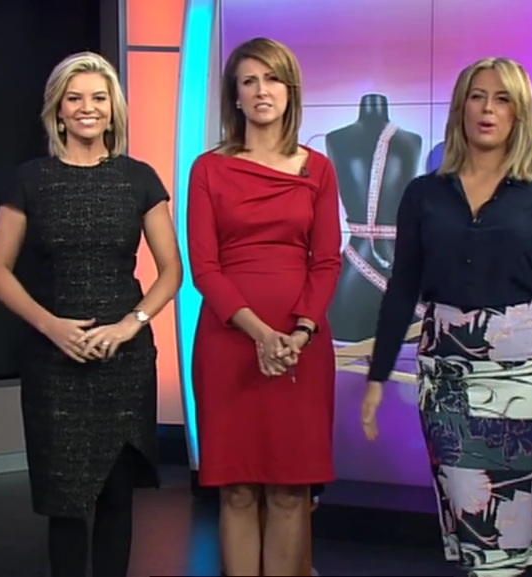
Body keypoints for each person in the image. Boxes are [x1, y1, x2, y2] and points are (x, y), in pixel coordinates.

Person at [360, 57, 532, 577]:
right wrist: (378, 374)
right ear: (460, 108)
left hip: (524, 376)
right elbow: (401, 289)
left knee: (510, 525)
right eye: (477, 96)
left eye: (502, 99)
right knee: (471, 516)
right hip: (447, 375)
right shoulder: (424, 193)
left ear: (519, 113)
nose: (488, 109)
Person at [0, 51, 182, 577]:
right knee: (66, 503)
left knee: (118, 498)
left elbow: (171, 271)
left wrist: (130, 325)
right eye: (74, 99)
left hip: (124, 360)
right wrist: (51, 326)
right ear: (58, 110)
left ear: (113, 109)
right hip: (54, 363)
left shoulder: (139, 179)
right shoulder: (30, 180)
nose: (87, 108)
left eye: (98, 98)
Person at [186, 37, 341, 576]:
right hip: (229, 343)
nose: (261, 90)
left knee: (290, 490)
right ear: (234, 95)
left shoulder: (318, 169)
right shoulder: (208, 169)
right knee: (236, 489)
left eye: (272, 79)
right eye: (249, 81)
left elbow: (327, 261)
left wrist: (298, 334)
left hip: (301, 347)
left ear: (290, 90)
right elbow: (205, 267)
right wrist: (260, 334)